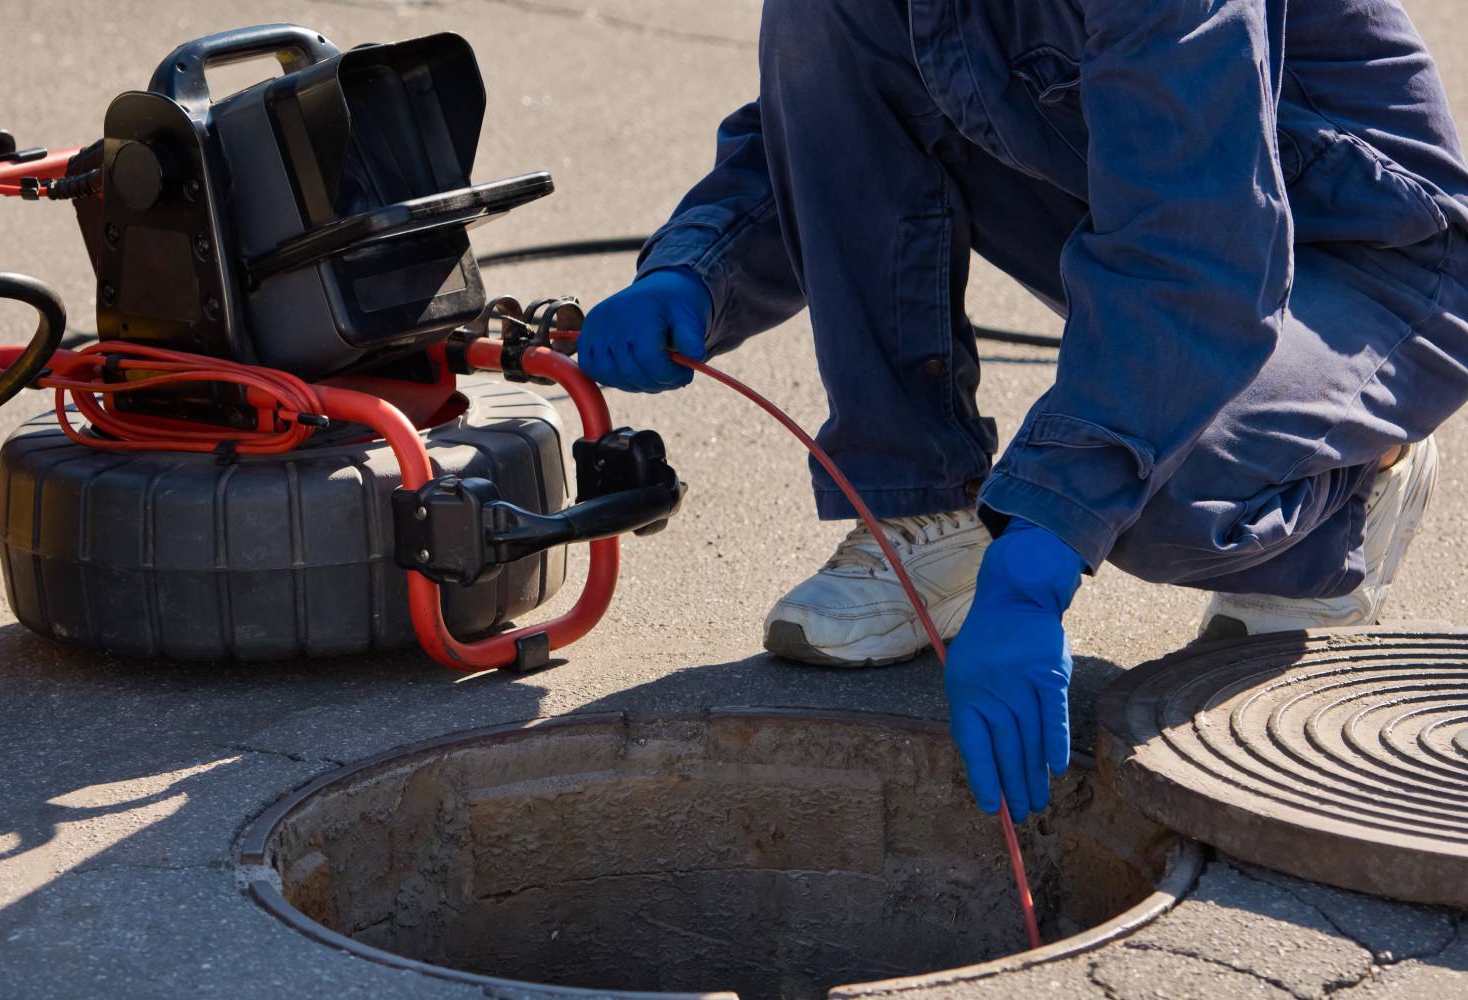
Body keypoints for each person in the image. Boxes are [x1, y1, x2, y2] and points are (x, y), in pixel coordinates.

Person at [577, 0, 1468, 820]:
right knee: (827, 16)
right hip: (1144, 202)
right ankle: (926, 507)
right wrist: (695, 271)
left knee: (1146, 498)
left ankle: (1349, 480)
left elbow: (1193, 256)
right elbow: (832, 118)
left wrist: (1036, 559)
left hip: (1374, 265)